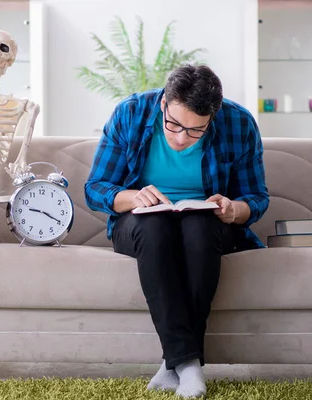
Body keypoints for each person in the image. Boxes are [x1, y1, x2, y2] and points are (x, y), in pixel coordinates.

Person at [84, 64, 269, 398]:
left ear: (213, 116)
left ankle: (177, 364)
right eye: (174, 125)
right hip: (139, 223)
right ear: (164, 103)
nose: (182, 138)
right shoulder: (130, 113)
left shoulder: (238, 123)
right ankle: (188, 365)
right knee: (154, 226)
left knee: (199, 227)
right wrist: (132, 197)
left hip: (208, 223)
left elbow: (256, 199)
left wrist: (232, 209)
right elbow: (95, 189)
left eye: (196, 131)